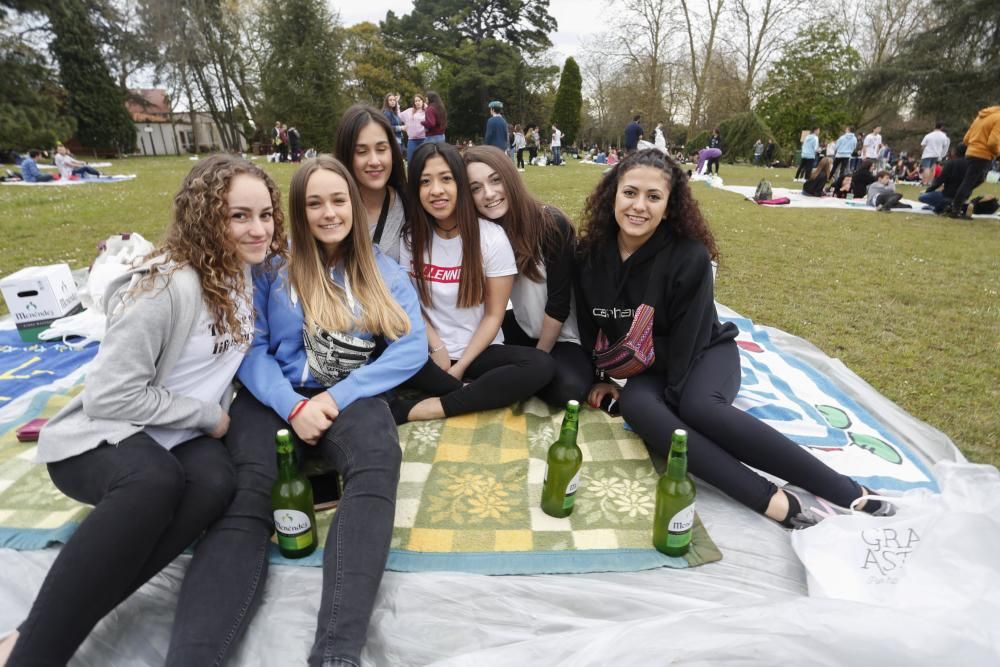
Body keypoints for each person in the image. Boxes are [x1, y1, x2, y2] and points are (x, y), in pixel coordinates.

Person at [0, 154, 285, 666]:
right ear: (205, 216)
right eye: (239, 215)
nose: (258, 228)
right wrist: (207, 415)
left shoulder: (243, 276)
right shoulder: (166, 287)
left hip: (174, 437)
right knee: (155, 483)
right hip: (101, 438)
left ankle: (45, 621)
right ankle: (30, 652)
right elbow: (109, 395)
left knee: (218, 484)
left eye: (265, 214)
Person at [165, 155, 426, 667]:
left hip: (348, 398)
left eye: (338, 200)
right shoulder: (271, 271)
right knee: (246, 492)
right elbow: (250, 349)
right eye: (314, 203)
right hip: (273, 400)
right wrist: (292, 405)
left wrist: (334, 398)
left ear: (354, 205)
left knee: (377, 465)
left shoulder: (384, 271)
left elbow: (411, 348)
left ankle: (336, 652)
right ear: (298, 212)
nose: (329, 213)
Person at [572, 148, 893, 530]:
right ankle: (766, 496)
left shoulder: (688, 257)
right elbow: (593, 325)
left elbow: (689, 342)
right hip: (651, 366)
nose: (639, 206)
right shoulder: (589, 255)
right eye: (630, 193)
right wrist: (602, 377)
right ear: (613, 195)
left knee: (699, 409)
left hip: (704, 353)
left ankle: (842, 488)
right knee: (639, 409)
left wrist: (673, 407)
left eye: (653, 197)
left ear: (669, 205)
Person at [392, 142, 555, 423]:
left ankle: (432, 405)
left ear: (460, 184)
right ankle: (470, 393)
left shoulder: (490, 237)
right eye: (425, 182)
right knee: (385, 353)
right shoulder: (410, 238)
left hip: (479, 352)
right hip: (426, 352)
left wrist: (461, 365)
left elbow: (494, 315)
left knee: (540, 366)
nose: (436, 191)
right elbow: (411, 307)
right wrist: (437, 349)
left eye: (446, 179)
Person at [463, 146, 590, 407]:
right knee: (465, 355)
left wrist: (535, 365)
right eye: (475, 188)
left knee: (568, 391)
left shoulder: (550, 223)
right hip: (522, 327)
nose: (489, 194)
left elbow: (558, 306)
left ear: (510, 178)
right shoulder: (484, 232)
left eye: (495, 180)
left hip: (562, 336)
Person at [334, 104, 410, 262]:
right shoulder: (329, 211)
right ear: (346, 155)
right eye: (361, 151)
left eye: (381, 149)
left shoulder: (410, 206)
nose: (374, 161)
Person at [945, 106, 1000, 219]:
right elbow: (993, 142)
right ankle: (955, 209)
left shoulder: (982, 116)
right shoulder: (998, 118)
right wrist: (997, 152)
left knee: (978, 179)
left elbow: (966, 139)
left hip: (971, 152)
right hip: (983, 154)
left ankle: (957, 203)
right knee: (968, 182)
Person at [919, 143, 967, 214]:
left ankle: (945, 204)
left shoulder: (951, 163)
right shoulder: (971, 165)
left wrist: (928, 190)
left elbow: (940, 180)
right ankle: (950, 205)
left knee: (922, 197)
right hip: (963, 196)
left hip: (948, 195)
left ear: (956, 152)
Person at [400, 94, 428, 161]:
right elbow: (399, 116)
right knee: (410, 160)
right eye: (416, 101)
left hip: (424, 139)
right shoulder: (410, 111)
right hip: (412, 140)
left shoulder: (426, 111)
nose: (417, 102)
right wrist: (397, 105)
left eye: (419, 100)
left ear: (423, 101)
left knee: (423, 160)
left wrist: (427, 108)